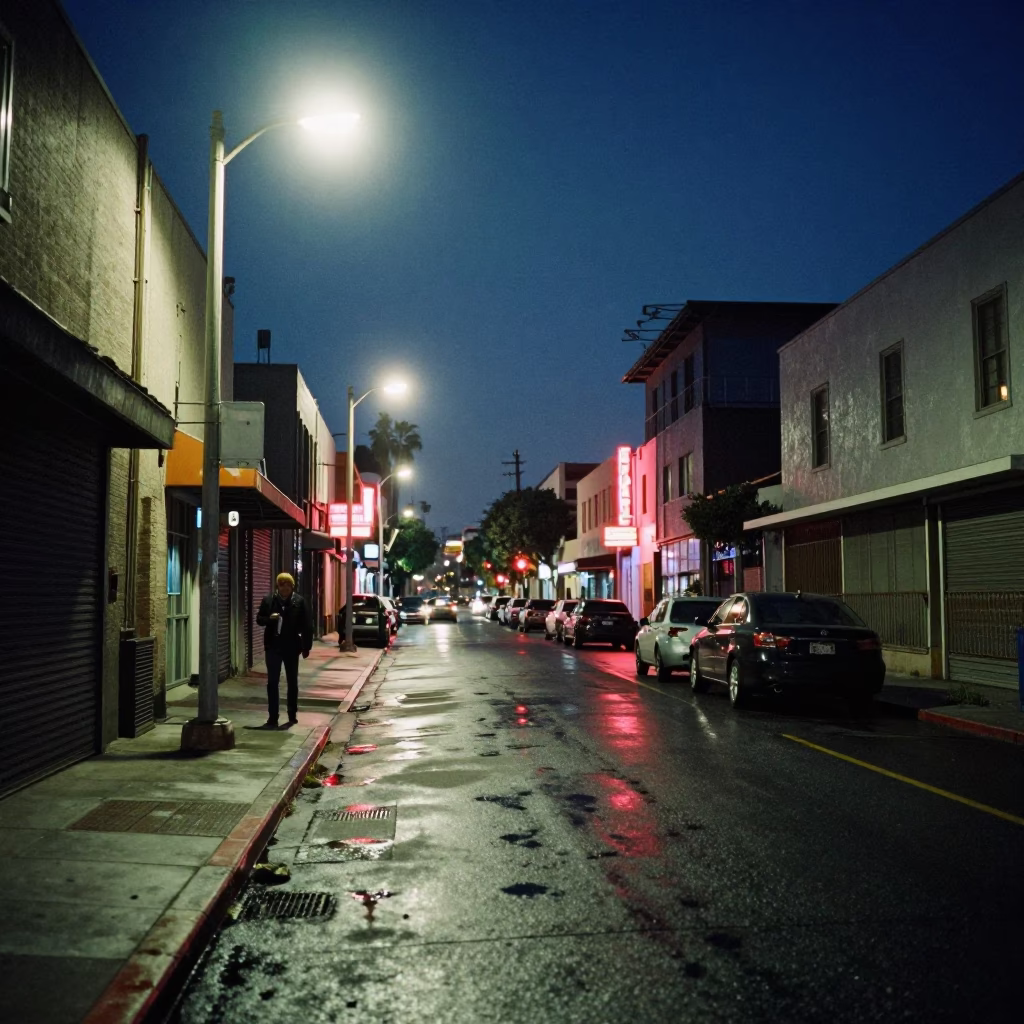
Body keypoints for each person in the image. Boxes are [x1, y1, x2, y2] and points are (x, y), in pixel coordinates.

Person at [256, 572, 312, 728]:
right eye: (282, 584)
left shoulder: (299, 602)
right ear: (277, 586)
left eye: (288, 584)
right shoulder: (268, 601)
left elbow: (307, 625)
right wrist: (270, 619)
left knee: (292, 681)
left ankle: (292, 714)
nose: (285, 587)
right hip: (273, 646)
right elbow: (259, 619)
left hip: (292, 647)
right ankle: (272, 717)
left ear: (292, 586)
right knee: (272, 682)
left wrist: (306, 646)